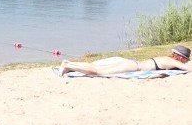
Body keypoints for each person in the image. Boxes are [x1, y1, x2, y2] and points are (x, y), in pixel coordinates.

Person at [57, 45, 192, 76]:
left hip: (132, 63)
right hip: (133, 67)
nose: (185, 62)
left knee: (97, 68)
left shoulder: (166, 58)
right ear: (180, 57)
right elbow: (188, 68)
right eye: (185, 59)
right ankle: (68, 64)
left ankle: (69, 65)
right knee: (99, 72)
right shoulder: (172, 62)